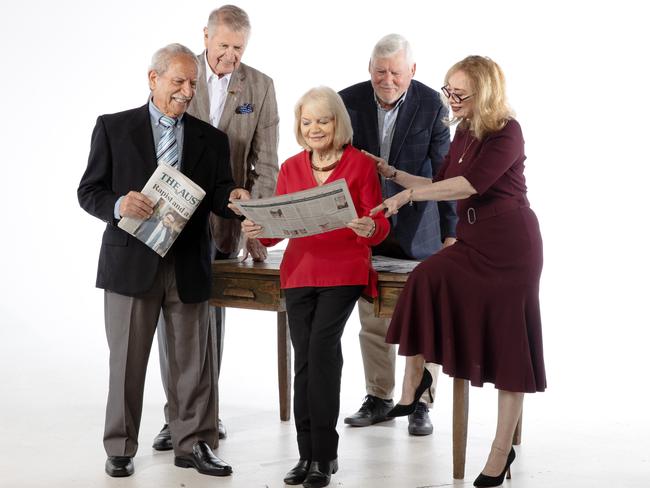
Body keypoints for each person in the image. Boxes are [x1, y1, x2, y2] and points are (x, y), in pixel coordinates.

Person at [77, 43, 250, 478]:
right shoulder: (113, 128)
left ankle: (194, 445)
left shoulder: (211, 138)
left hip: (188, 263)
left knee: (193, 363)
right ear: (153, 79)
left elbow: (220, 193)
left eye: (192, 83)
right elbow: (89, 191)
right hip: (131, 263)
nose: (187, 91)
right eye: (178, 81)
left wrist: (235, 198)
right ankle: (119, 447)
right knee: (127, 364)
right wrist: (119, 204)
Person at [373, 55, 545, 487]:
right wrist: (393, 175)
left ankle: (499, 454)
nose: (450, 99)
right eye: (447, 90)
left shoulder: (508, 132)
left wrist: (408, 198)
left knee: (510, 350)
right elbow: (437, 180)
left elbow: (469, 186)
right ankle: (415, 382)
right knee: (425, 277)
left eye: (459, 93)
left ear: (484, 92)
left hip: (511, 249)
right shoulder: (464, 131)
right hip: (472, 244)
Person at [242, 87, 389, 488]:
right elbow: (276, 234)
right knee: (304, 358)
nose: (314, 128)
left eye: (322, 120)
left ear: (337, 122)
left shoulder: (360, 165)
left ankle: (324, 456)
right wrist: (258, 230)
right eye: (307, 122)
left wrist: (370, 226)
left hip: (343, 272)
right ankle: (306, 455)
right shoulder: (291, 168)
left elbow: (380, 225)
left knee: (322, 353)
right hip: (298, 273)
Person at [152, 4, 279, 450]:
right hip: (172, 219)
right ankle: (176, 415)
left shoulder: (260, 87)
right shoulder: (180, 75)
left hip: (226, 223)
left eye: (238, 48)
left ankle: (206, 412)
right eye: (223, 45)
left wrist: (257, 225)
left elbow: (265, 164)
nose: (230, 55)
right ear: (205, 37)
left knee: (210, 321)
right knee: (175, 321)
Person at [339, 33, 457, 436]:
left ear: (413, 71)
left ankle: (419, 402)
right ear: (368, 69)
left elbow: (445, 177)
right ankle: (378, 396)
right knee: (372, 319)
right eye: (379, 72)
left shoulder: (432, 105)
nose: (387, 80)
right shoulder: (347, 101)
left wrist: (451, 234)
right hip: (368, 226)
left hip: (418, 230)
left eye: (395, 72)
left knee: (425, 319)